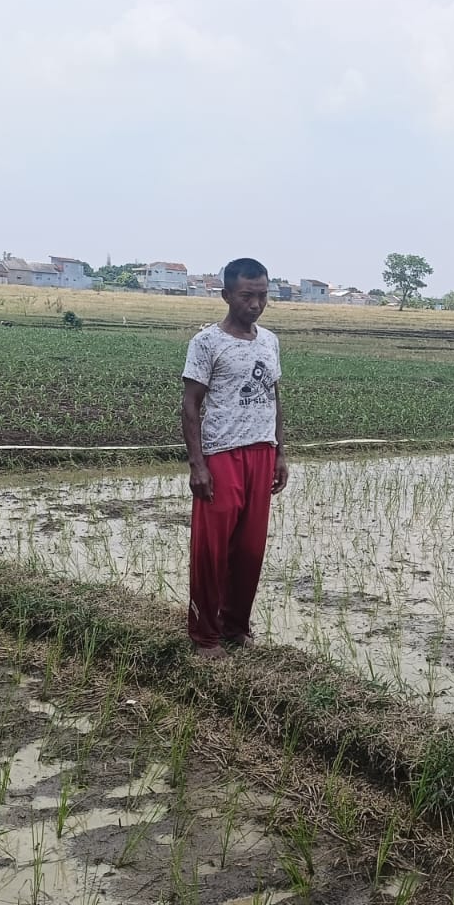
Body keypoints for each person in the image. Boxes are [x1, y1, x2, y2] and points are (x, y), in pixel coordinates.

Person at [181, 258, 290, 659]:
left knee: (250, 550)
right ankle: (204, 635)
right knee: (213, 551)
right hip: (222, 454)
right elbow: (190, 406)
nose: (256, 303)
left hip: (261, 453)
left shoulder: (270, 341)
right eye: (247, 295)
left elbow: (275, 399)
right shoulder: (207, 343)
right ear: (227, 295)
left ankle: (235, 625)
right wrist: (198, 464)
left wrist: (280, 452)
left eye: (262, 295)